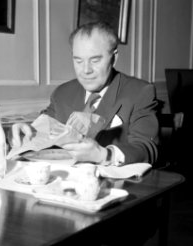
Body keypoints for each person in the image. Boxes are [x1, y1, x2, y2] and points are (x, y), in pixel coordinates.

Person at [12, 21, 159, 166]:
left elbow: (147, 149)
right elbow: (42, 133)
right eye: (78, 61)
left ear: (114, 58)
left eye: (95, 60)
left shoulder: (140, 92)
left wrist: (104, 155)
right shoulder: (62, 93)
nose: (86, 70)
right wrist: (24, 134)